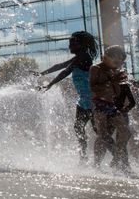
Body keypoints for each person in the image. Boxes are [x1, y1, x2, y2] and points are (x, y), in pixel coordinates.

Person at [37, 31, 97, 162]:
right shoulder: (78, 57)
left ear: (81, 44)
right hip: (83, 100)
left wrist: (51, 84)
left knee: (98, 131)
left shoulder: (83, 57)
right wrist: (41, 74)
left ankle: (118, 157)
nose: (69, 47)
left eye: (72, 44)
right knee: (78, 127)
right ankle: (83, 157)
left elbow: (66, 71)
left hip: (93, 101)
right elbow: (60, 66)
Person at [89, 45, 131, 171]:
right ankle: (98, 164)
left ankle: (121, 162)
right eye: (116, 62)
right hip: (100, 107)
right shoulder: (96, 68)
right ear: (105, 58)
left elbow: (120, 92)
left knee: (125, 133)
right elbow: (93, 88)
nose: (118, 65)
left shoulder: (119, 71)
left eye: (121, 63)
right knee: (104, 136)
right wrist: (112, 81)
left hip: (116, 107)